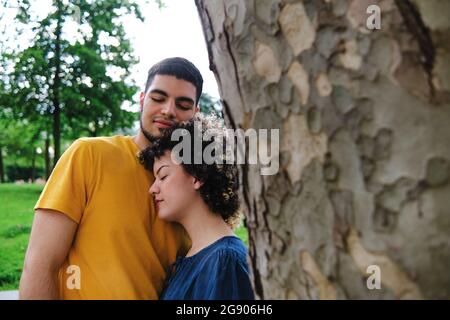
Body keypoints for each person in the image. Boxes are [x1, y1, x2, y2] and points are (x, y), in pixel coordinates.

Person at [19, 57, 203, 299]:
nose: (168, 110)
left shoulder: (196, 184)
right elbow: (41, 264)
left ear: (196, 113)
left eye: (183, 104)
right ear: (141, 100)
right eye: (158, 98)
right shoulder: (89, 155)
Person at [139, 114, 255, 300]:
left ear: (197, 175)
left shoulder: (225, 260)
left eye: (163, 176)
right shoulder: (193, 259)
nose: (152, 189)